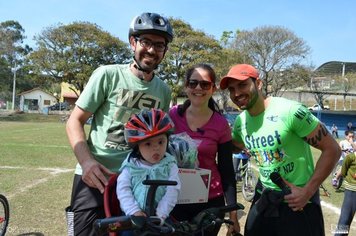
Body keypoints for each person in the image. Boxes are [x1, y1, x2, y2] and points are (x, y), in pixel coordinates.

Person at [65, 12, 174, 235]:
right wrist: (87, 163)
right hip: (96, 175)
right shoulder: (107, 75)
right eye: (145, 42)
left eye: (159, 45)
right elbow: (75, 121)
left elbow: (159, 139)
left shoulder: (163, 90)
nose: (152, 50)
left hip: (137, 181)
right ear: (133, 42)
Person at [220, 63, 341, 236]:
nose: (237, 93)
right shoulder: (241, 122)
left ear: (259, 83)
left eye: (242, 85)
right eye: (231, 89)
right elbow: (234, 145)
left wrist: (307, 191)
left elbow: (333, 149)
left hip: (297, 203)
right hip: (265, 198)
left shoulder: (290, 111)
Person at [169, 63, 241, 235]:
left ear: (213, 89)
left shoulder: (221, 124)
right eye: (193, 83)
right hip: (174, 199)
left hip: (210, 201)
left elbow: (226, 169)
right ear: (186, 86)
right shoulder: (171, 116)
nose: (198, 88)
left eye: (205, 84)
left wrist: (233, 214)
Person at [116, 109, 180, 223]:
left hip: (161, 216)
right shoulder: (130, 166)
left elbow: (172, 191)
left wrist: (161, 214)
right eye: (148, 144)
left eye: (161, 142)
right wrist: (134, 211)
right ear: (137, 147)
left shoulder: (170, 165)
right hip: (133, 216)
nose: (156, 148)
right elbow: (123, 190)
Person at [334, 151, 356, 236]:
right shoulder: (350, 157)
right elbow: (343, 172)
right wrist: (336, 178)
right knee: (345, 220)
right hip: (352, 192)